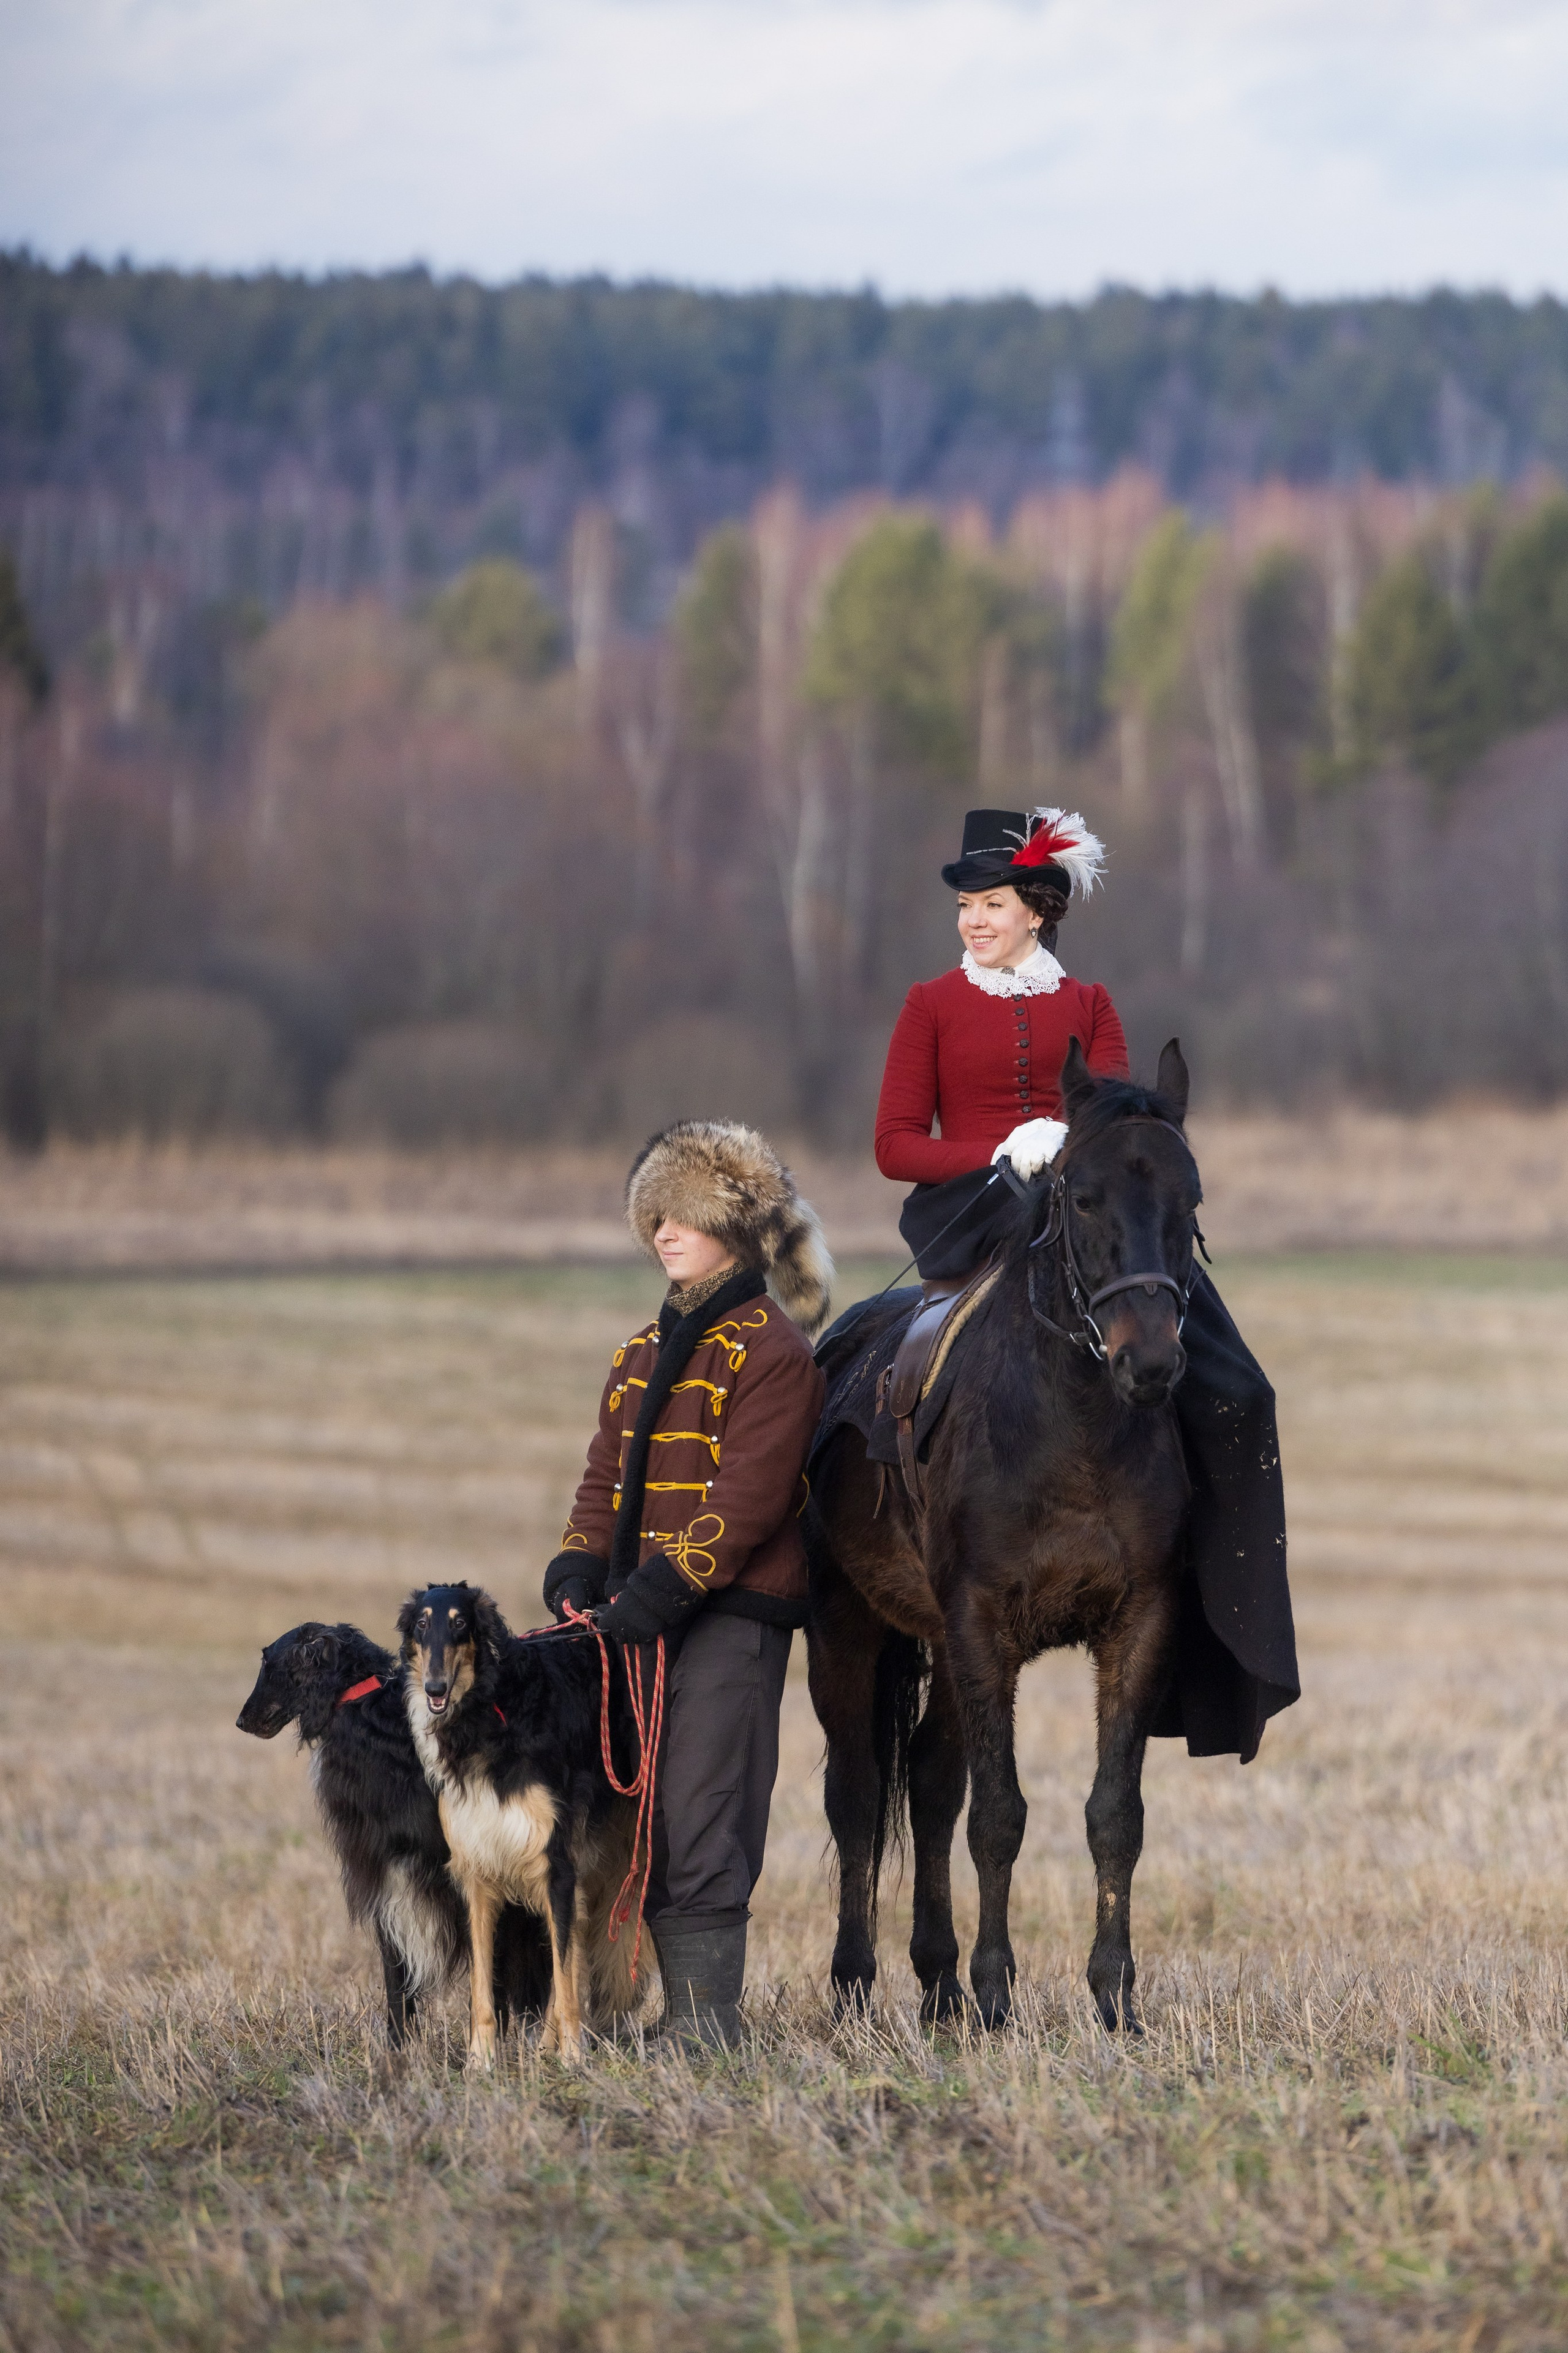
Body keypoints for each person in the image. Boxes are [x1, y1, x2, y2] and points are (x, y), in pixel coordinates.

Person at [873, 806, 1298, 1760]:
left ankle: (1203, 1596)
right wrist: (998, 1148)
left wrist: (1076, 1151)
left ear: (1036, 909)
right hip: (974, 1211)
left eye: (987, 904)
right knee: (883, 1367)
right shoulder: (929, 1004)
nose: (970, 921)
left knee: (1240, 1388)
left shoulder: (1092, 1000)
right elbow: (893, 1143)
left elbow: (1116, 1119)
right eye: (965, 907)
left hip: (1092, 1219)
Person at [541, 1120, 830, 2047]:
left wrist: (664, 1586)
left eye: (687, 1215)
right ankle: (642, 2006)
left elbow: (749, 1498)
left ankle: (708, 2026)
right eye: (654, 1215)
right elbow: (601, 1478)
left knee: (703, 1810)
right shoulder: (637, 1352)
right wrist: (578, 1563)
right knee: (639, 1814)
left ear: (736, 1228)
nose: (665, 1231)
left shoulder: (772, 1351)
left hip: (729, 1619)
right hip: (633, 1618)